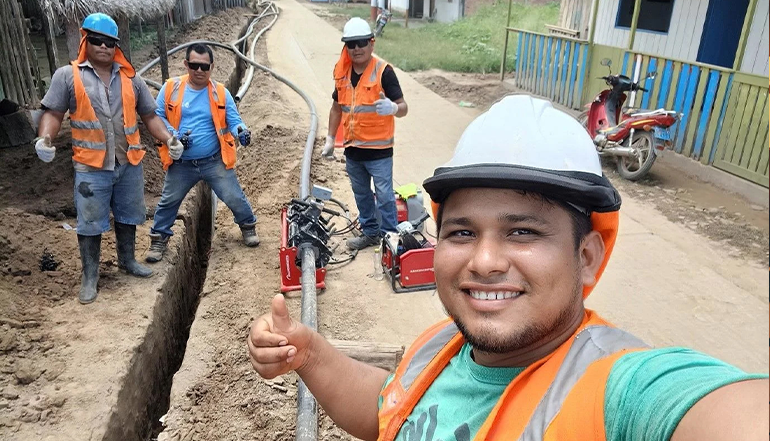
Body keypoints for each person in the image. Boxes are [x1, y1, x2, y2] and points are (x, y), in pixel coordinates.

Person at [248, 95, 769, 441]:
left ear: (586, 257)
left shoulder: (623, 389)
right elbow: (387, 414)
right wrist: (311, 354)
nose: (485, 261)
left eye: (523, 231)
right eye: (462, 232)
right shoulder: (438, 347)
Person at [34, 13, 180, 305]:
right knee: (90, 222)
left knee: (129, 215)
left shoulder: (130, 78)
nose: (103, 47)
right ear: (86, 41)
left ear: (116, 45)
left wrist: (169, 138)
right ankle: (90, 276)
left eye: (109, 42)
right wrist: (44, 139)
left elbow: (149, 116)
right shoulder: (68, 75)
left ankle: (127, 260)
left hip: (128, 163)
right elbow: (53, 113)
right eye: (97, 41)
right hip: (91, 167)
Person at [144, 43, 258, 263]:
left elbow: (233, 121)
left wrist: (241, 131)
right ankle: (158, 240)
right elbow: (157, 117)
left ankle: (248, 226)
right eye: (194, 65)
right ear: (186, 64)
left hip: (213, 161)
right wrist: (174, 136)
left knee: (233, 195)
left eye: (204, 67)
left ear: (212, 67)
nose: (199, 70)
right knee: (168, 201)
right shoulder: (171, 89)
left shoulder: (220, 93)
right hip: (182, 164)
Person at [321, 17, 408, 251]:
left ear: (372, 43)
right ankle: (370, 233)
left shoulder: (384, 71)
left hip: (379, 152)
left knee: (385, 196)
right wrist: (330, 139)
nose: (356, 48)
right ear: (346, 47)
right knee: (361, 195)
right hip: (353, 150)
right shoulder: (342, 73)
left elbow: (403, 108)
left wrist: (393, 108)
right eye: (351, 44)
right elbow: (336, 108)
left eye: (361, 43)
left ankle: (390, 237)